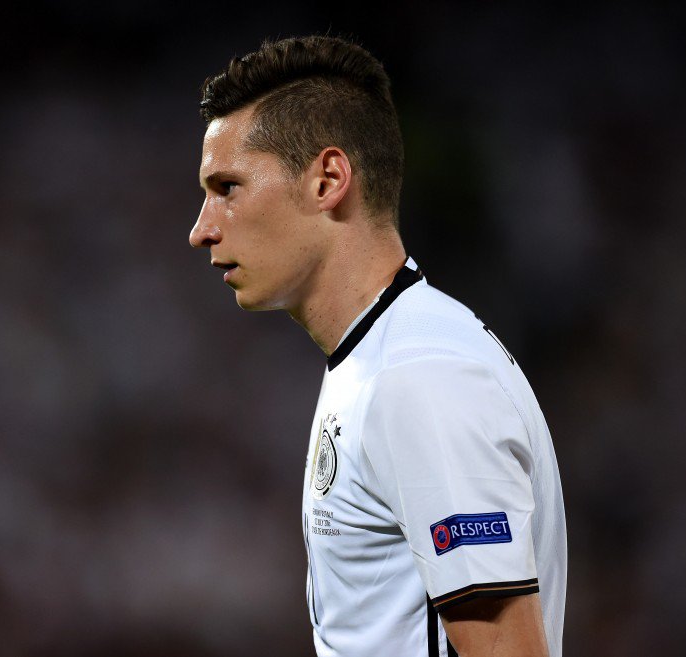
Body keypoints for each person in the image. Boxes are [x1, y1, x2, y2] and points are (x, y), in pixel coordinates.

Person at [188, 35, 566, 657]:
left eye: (227, 187)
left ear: (328, 180)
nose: (202, 229)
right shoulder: (379, 359)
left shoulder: (421, 376)